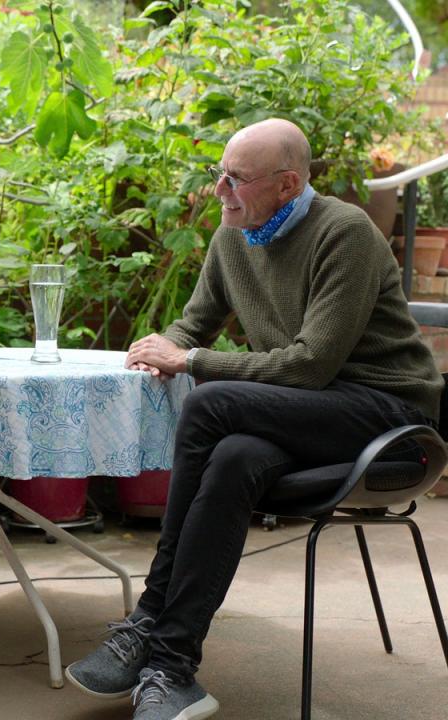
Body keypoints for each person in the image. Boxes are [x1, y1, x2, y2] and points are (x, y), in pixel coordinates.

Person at [65, 118, 443, 720]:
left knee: (211, 400)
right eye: (219, 174)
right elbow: (195, 324)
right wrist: (158, 347)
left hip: (386, 416)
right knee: (237, 456)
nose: (220, 190)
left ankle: (149, 615)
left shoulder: (344, 233)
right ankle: (171, 664)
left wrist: (189, 360)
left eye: (236, 179)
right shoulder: (233, 236)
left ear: (288, 184)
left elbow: (311, 365)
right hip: (304, 413)